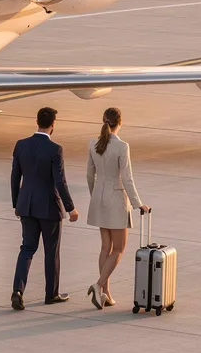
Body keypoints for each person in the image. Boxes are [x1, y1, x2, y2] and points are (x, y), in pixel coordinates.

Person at [9, 106, 78, 311]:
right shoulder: (55, 149)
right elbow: (59, 181)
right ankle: (51, 294)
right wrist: (70, 208)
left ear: (37, 121)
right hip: (48, 208)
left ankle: (17, 291)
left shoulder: (21, 145)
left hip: (27, 206)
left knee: (27, 249)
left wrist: (17, 204)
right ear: (53, 124)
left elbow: (15, 177)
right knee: (51, 251)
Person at [85, 107, 149, 309]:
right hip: (116, 200)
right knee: (119, 248)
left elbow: (89, 175)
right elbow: (127, 178)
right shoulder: (122, 146)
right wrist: (138, 203)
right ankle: (98, 285)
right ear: (119, 123)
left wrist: (95, 195)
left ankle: (106, 294)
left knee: (106, 247)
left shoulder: (93, 143)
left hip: (99, 198)